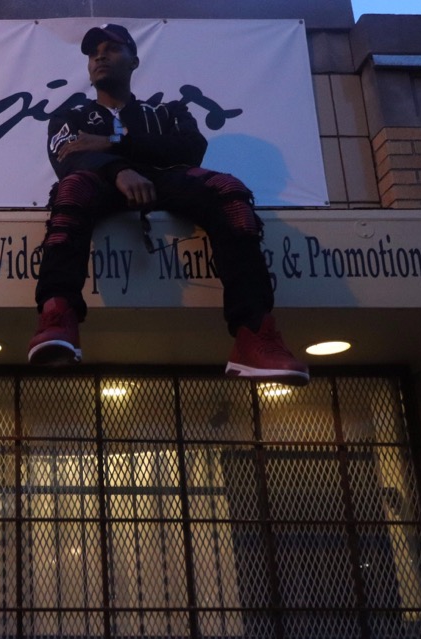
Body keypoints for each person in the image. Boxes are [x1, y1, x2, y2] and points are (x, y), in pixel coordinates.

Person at [27, 23, 310, 386]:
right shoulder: (71, 116)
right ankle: (57, 313)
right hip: (100, 181)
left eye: (112, 48)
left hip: (168, 181)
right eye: (93, 51)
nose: (99, 55)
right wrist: (119, 169)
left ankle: (254, 331)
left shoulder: (169, 111)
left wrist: (112, 141)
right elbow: (67, 158)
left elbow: (190, 149)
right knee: (71, 189)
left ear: (134, 60)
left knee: (230, 190)